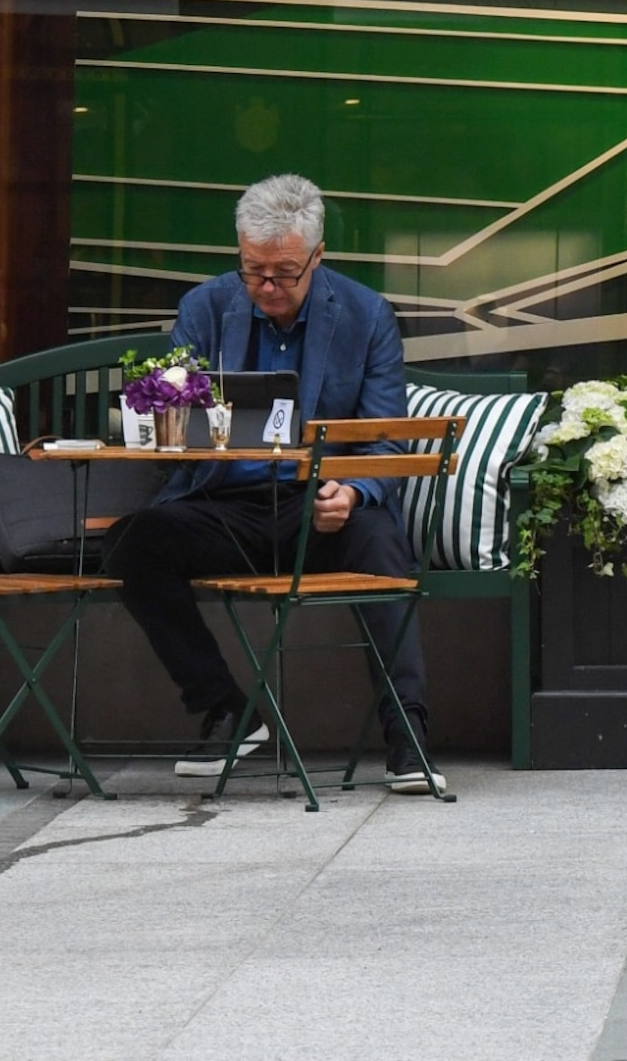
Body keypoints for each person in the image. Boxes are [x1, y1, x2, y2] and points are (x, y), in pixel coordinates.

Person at [102, 173, 435, 791]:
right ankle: (226, 708)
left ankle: (407, 735)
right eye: (253, 270)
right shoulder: (205, 307)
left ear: (318, 256)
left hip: (321, 505)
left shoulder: (366, 315)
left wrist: (354, 492)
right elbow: (173, 423)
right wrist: (158, 413)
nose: (267, 287)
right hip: (224, 505)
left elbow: (389, 439)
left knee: (386, 548)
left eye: (284, 272)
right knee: (135, 543)